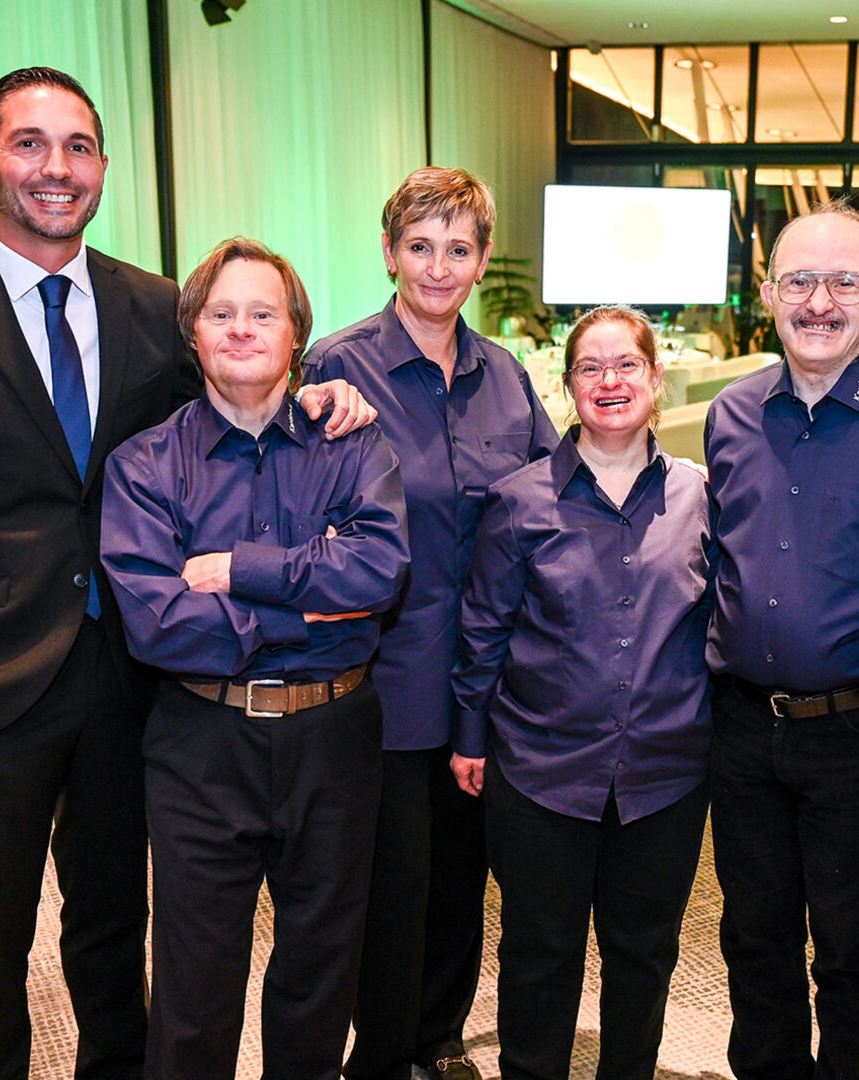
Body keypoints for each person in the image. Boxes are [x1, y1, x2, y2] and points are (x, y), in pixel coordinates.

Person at [0, 68, 366, 1080]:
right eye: (29, 144)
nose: (55, 168)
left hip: (131, 675)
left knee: (115, 933)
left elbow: (232, 396)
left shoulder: (155, 307)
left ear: (103, 166)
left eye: (77, 146)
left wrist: (326, 389)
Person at [101, 237, 410, 1080]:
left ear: (296, 332)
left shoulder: (353, 443)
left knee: (319, 977)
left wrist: (240, 577)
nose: (242, 329)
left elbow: (380, 572)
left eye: (263, 313)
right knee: (196, 992)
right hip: (202, 741)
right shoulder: (144, 466)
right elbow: (157, 623)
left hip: (335, 736)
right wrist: (308, 605)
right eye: (222, 313)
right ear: (193, 334)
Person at [302, 166, 557, 1080]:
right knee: (389, 889)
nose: (438, 268)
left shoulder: (507, 378)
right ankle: (381, 1055)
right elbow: (304, 516)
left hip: (488, 684)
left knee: (461, 882)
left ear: (483, 259)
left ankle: (440, 1041)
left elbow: (549, 505)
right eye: (419, 247)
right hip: (385, 682)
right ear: (388, 252)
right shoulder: (337, 365)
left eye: (458, 249)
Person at [704, 200, 859, 1080]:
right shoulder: (729, 415)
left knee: (855, 958)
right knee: (753, 945)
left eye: (844, 281)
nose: (820, 301)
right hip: (738, 734)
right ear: (768, 292)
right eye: (800, 280)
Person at [449, 305, 713, 1080]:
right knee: (540, 952)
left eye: (626, 364)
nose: (610, 381)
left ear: (655, 377)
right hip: (540, 770)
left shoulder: (701, 497)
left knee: (644, 954)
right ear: (567, 387)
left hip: (665, 774)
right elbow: (483, 629)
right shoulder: (519, 500)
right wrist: (469, 736)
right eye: (590, 368)